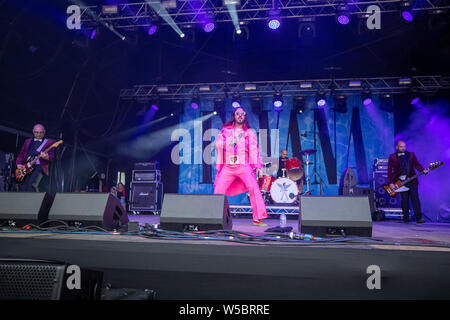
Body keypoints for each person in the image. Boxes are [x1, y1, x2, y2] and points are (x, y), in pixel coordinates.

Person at [214, 107, 268, 227]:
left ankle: (258, 218)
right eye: (237, 113)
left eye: (242, 114)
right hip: (228, 167)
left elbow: (254, 150)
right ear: (234, 115)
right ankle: (214, 217)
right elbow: (217, 144)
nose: (240, 115)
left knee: (254, 187)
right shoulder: (225, 130)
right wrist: (230, 142)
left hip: (243, 165)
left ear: (245, 116)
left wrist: (258, 165)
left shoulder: (249, 132)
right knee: (218, 191)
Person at [387, 140, 428, 223]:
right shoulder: (392, 157)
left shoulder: (411, 155)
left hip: (412, 180)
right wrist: (390, 183)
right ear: (397, 147)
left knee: (415, 199)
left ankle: (418, 218)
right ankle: (406, 218)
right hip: (400, 182)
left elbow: (417, 164)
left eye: (404, 146)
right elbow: (389, 171)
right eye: (401, 146)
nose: (403, 148)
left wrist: (423, 170)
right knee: (404, 200)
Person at [16, 124, 54, 192]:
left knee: (31, 184)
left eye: (41, 132)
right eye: (37, 132)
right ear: (33, 131)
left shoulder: (49, 142)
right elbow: (21, 154)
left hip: (39, 166)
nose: (39, 134)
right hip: (27, 166)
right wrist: (18, 164)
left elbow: (52, 156)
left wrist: (46, 157)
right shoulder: (28, 141)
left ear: (44, 132)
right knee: (23, 186)